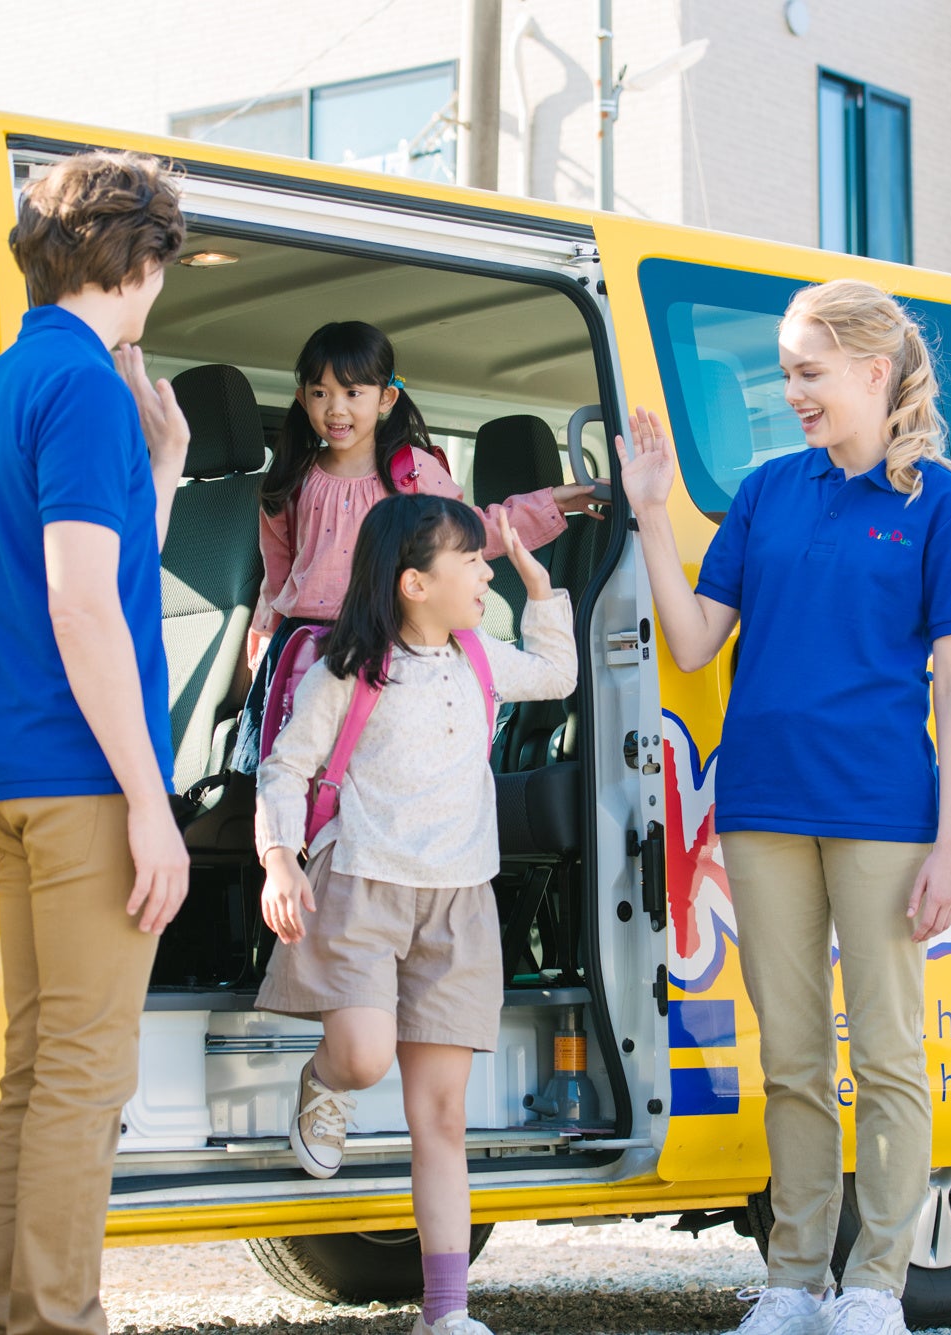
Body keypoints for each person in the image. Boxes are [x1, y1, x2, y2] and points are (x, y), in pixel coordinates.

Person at [618, 278, 951, 1335]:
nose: (789, 392)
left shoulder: (942, 506)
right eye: (786, 372)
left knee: (885, 1057)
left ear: (872, 373)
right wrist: (651, 513)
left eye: (806, 372)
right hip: (764, 802)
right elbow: (693, 641)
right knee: (790, 1057)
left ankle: (875, 1284)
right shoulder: (765, 492)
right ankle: (791, 1282)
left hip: (883, 811)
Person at [0, 149, 190, 1335]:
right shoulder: (84, 387)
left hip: (10, 772)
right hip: (86, 776)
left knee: (43, 1074)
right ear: (140, 261)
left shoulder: (0, 384)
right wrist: (152, 801)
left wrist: (166, 467)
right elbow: (83, 601)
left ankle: (25, 1314)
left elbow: (92, 577)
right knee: (85, 1080)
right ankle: (54, 1321)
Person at [254, 494, 577, 1335]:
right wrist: (279, 859)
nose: (484, 570)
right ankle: (322, 1086)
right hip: (362, 886)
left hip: (459, 901)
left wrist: (542, 587)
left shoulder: (477, 655)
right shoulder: (344, 667)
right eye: (469, 559)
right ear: (412, 583)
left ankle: (446, 1311)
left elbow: (558, 675)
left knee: (440, 1116)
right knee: (362, 1058)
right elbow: (284, 768)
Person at [229, 319, 603, 772]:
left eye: (352, 393)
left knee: (371, 773)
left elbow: (474, 533)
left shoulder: (411, 471)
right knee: (294, 773)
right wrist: (265, 643)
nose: (335, 408)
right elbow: (278, 575)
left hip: (386, 643)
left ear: (386, 398)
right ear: (301, 398)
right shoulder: (292, 477)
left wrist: (554, 501)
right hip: (306, 648)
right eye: (320, 393)